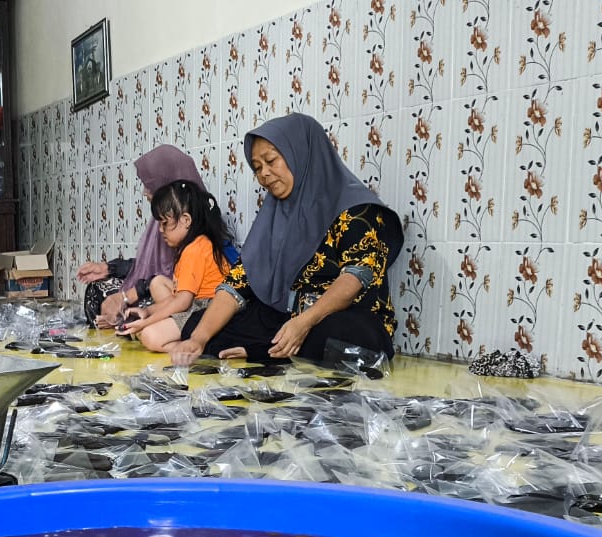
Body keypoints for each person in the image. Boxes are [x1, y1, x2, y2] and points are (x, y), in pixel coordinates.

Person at [170, 113, 404, 367]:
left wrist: (304, 322)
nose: (263, 175)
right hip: (285, 318)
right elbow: (237, 284)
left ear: (300, 154)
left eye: (271, 161)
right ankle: (276, 350)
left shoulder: (356, 209)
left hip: (341, 317)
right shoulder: (274, 216)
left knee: (337, 338)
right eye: (257, 167)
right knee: (198, 325)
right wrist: (198, 339)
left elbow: (354, 279)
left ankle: (267, 350)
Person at [76, 145, 204, 328]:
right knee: (98, 288)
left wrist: (127, 297)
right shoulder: (164, 221)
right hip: (155, 287)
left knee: (137, 307)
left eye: (150, 184)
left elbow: (171, 279)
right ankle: (125, 323)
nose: (145, 192)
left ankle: (129, 324)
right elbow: (148, 266)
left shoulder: (190, 222)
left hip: (181, 298)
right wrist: (109, 268)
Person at [115, 180, 243, 355]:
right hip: (197, 303)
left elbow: (182, 302)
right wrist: (147, 312)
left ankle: (199, 349)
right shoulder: (191, 246)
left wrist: (146, 322)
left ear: (186, 220)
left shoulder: (194, 249)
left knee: (150, 336)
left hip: (208, 308)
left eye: (164, 223)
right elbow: (178, 297)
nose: (160, 230)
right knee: (158, 282)